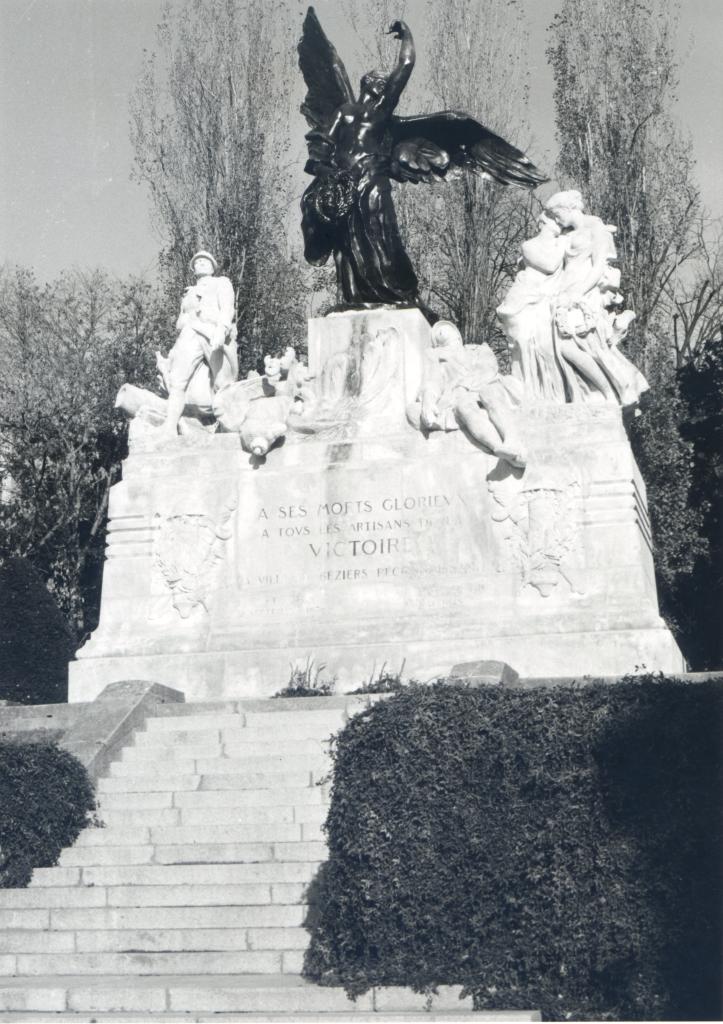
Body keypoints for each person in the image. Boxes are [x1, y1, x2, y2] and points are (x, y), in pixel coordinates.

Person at [157, 251, 238, 437]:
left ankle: (226, 426)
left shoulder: (222, 282)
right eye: (197, 262)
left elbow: (227, 308)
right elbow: (180, 322)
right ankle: (169, 426)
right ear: (193, 269)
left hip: (213, 333)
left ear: (212, 267)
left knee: (222, 382)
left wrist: (222, 329)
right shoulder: (188, 293)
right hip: (190, 333)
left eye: (205, 261)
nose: (201, 263)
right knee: (178, 381)